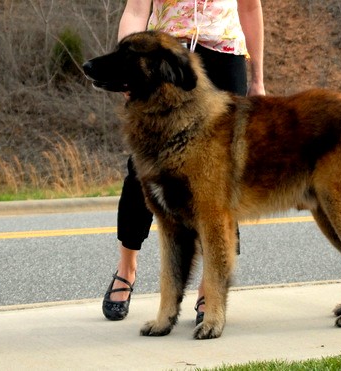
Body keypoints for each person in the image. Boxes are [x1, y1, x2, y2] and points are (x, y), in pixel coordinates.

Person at [102, 0, 265, 324]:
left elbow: (249, 9)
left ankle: (210, 287)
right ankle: (127, 268)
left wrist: (258, 78)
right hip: (167, 61)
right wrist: (128, 66)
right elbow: (136, 11)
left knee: (221, 179)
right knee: (143, 170)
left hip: (225, 58)